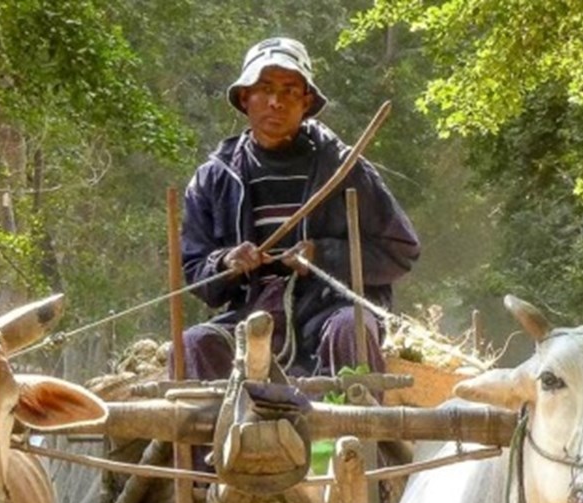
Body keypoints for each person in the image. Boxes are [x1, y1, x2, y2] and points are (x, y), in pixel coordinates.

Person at [179, 37, 421, 381]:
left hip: (328, 311)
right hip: (250, 315)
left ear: (306, 102)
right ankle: (215, 435)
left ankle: (356, 429)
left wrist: (322, 255)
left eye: (290, 90)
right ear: (245, 97)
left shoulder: (345, 169)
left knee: (351, 328)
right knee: (196, 342)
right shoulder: (213, 178)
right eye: (264, 89)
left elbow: (401, 251)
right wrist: (226, 263)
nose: (276, 102)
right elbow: (197, 271)